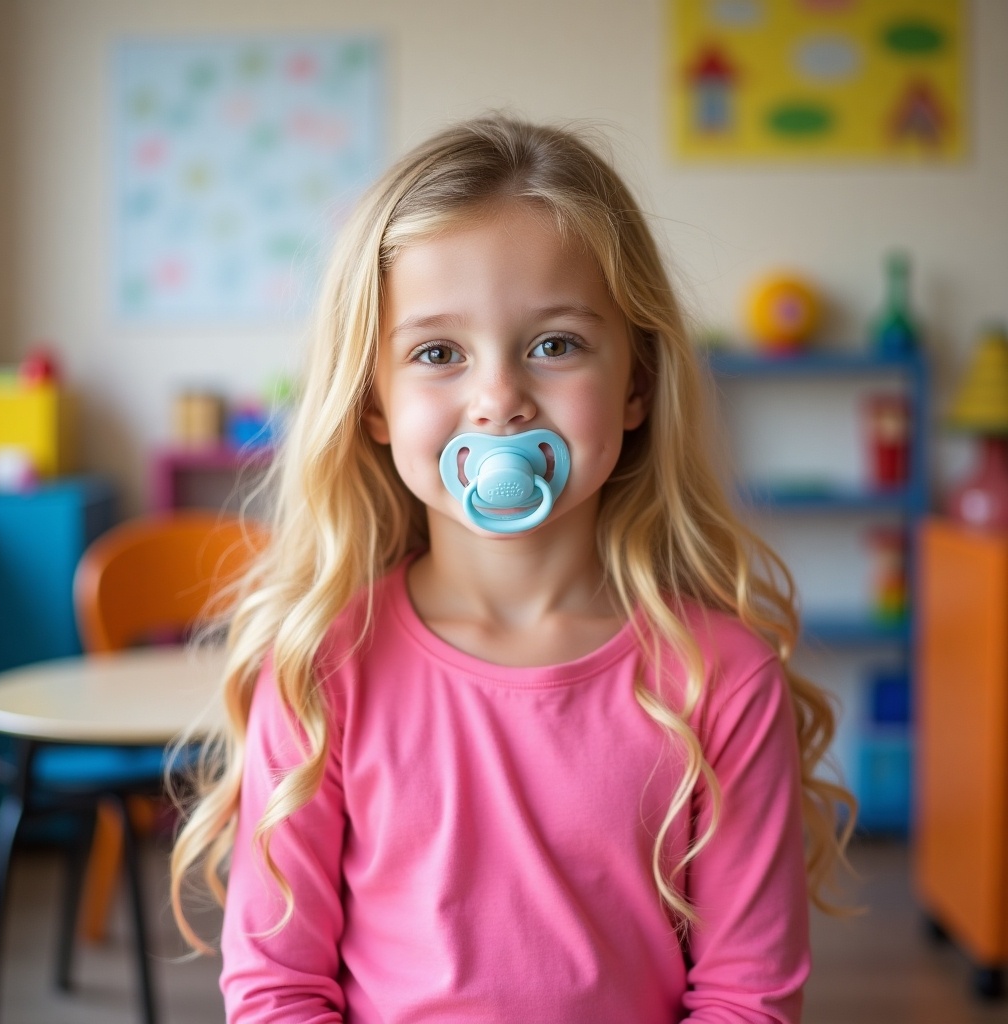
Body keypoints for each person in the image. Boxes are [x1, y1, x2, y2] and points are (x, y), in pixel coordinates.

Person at [170, 114, 853, 1023]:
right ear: (374, 401)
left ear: (637, 382)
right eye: (438, 353)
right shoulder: (322, 671)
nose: (498, 398)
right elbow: (277, 988)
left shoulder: (721, 681)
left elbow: (747, 996)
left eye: (556, 344)